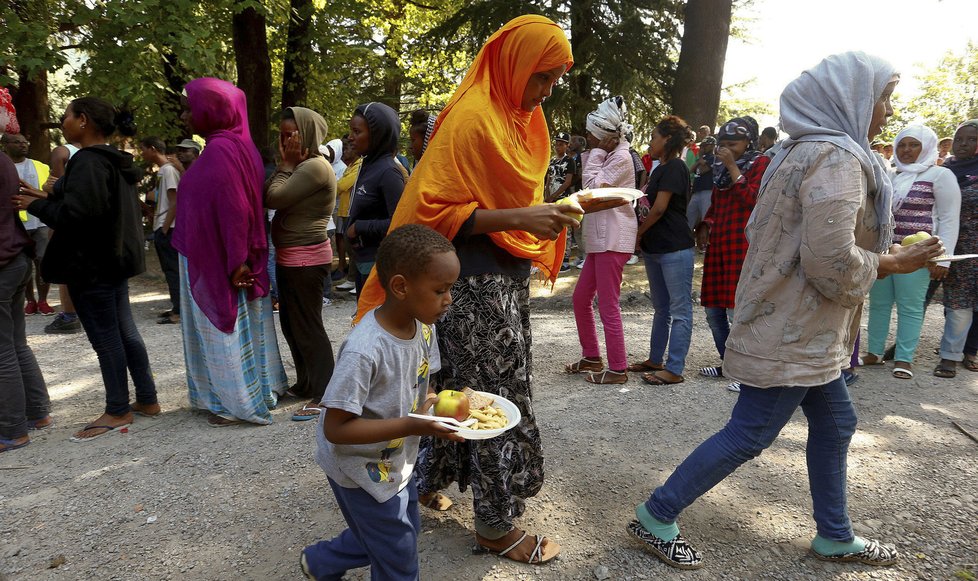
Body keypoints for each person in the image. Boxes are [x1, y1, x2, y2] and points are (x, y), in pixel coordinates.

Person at [626, 52, 941, 570]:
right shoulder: (836, 159)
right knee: (752, 430)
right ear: (849, 98)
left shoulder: (797, 151)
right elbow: (830, 259)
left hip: (796, 320)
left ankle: (835, 535)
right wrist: (894, 262)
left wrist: (885, 253)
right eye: (882, 98)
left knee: (837, 422)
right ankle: (656, 514)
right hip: (795, 324)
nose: (886, 110)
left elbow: (798, 238)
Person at [353, 15, 599, 564]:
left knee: (460, 384)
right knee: (494, 397)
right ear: (515, 65)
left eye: (556, 79)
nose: (547, 91)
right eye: (542, 77)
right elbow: (434, 212)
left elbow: (517, 199)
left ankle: (420, 486)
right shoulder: (472, 117)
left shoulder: (524, 121)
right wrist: (521, 216)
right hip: (467, 285)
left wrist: (550, 213)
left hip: (503, 279)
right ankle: (493, 524)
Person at [300, 224, 463, 581]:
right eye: (441, 290)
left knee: (395, 534)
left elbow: (425, 382)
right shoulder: (365, 350)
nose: (449, 299)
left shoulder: (423, 325)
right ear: (401, 287)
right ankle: (325, 560)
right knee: (399, 556)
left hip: (395, 459)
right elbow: (336, 428)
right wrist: (413, 424)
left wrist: (434, 406)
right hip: (359, 469)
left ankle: (322, 561)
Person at [14, 97, 160, 442]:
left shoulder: (89, 161)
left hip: (92, 264)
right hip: (113, 260)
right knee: (124, 332)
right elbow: (94, 206)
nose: (62, 121)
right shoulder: (112, 160)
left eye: (66, 115)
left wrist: (37, 205)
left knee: (106, 337)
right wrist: (47, 196)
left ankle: (117, 408)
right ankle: (147, 400)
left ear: (82, 121)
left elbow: (81, 217)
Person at [172, 78, 288, 426]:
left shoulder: (223, 149)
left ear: (211, 109)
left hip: (218, 256)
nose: (186, 115)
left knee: (224, 327)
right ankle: (252, 390)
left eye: (190, 107)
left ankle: (234, 402)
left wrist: (237, 259)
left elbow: (235, 208)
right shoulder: (235, 145)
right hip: (218, 251)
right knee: (242, 325)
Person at [862, 124, 959, 379]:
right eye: (902, 145)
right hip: (885, 251)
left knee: (910, 307)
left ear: (926, 146)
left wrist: (943, 260)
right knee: (879, 304)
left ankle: (904, 359)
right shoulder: (891, 175)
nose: (906, 150)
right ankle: (874, 353)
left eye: (914, 144)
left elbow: (949, 219)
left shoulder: (941, 175)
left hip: (919, 255)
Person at [264, 107, 337, 421]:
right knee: (291, 324)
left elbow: (273, 197)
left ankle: (327, 395)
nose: (284, 141)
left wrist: (285, 165)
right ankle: (307, 383)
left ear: (307, 134)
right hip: (292, 258)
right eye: (281, 134)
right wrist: (287, 165)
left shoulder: (313, 167)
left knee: (308, 326)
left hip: (306, 260)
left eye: (290, 134)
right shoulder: (302, 166)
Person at [564, 96, 637, 384]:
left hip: (614, 239)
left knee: (608, 304)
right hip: (601, 240)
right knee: (581, 298)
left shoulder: (619, 157)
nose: (589, 138)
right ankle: (592, 356)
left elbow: (592, 188)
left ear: (604, 135)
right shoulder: (609, 154)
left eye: (593, 134)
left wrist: (593, 155)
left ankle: (618, 368)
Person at [695, 117, 771, 392]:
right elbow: (716, 205)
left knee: (739, 311)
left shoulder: (761, 163)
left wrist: (732, 166)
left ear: (748, 141)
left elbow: (754, 201)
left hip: (745, 246)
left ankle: (747, 372)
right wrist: (705, 224)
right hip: (720, 245)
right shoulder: (718, 169)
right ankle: (728, 363)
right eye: (723, 145)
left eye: (733, 144)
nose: (726, 150)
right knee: (714, 310)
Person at [629, 115, 696, 386]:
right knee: (661, 308)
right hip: (657, 248)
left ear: (667, 139)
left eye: (654, 137)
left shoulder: (675, 168)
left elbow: (659, 208)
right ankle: (656, 360)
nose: (650, 142)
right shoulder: (660, 168)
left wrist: (638, 233)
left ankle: (675, 368)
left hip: (674, 247)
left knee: (680, 310)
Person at [0, 96, 50, 453]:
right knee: (16, 343)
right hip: (15, 257)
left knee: (2, 350)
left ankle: (13, 430)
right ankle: (38, 413)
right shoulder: (4, 161)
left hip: (3, 262)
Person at [345, 102, 406, 297]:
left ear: (377, 135)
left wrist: (360, 227)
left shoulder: (388, 172)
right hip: (363, 262)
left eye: (357, 131)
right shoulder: (367, 164)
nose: (350, 138)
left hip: (379, 267)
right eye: (350, 131)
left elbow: (400, 224)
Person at [935, 119, 978, 378]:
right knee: (957, 302)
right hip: (954, 244)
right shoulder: (945, 169)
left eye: (972, 139)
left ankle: (970, 350)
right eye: (960, 138)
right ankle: (949, 355)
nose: (964, 144)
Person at [1, 132, 53, 316]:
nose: (23, 145)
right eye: (17, 142)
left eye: (25, 142)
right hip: (16, 224)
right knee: (24, 266)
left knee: (42, 261)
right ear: (5, 145)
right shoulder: (4, 166)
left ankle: (43, 300)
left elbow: (51, 191)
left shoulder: (40, 166)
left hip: (39, 222)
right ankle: (30, 301)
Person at [41, 137, 83, 334]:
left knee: (65, 268)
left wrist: (46, 190)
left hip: (67, 221)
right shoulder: (108, 152)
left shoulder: (62, 152)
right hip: (97, 221)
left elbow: (61, 194)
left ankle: (69, 316)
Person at [139, 136, 182, 324]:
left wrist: (164, 228)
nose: (141, 153)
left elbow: (175, 201)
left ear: (153, 148)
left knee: (173, 270)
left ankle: (180, 311)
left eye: (143, 149)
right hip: (163, 225)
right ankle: (176, 306)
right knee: (169, 269)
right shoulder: (164, 170)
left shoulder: (169, 170)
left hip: (168, 228)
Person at [334, 137, 360, 292]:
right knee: (349, 246)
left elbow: (341, 185)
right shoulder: (349, 167)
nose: (344, 153)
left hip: (350, 210)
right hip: (344, 210)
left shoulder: (358, 166)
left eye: (346, 149)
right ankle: (351, 279)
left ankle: (354, 280)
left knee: (352, 246)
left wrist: (334, 186)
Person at [686, 136, 715, 229]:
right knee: (689, 217)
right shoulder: (700, 158)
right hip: (696, 191)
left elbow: (703, 170)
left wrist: (701, 161)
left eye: (705, 145)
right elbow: (690, 170)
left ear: (712, 146)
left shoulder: (713, 158)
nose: (703, 148)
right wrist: (700, 160)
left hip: (707, 191)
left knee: (705, 218)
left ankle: (705, 240)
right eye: (702, 146)